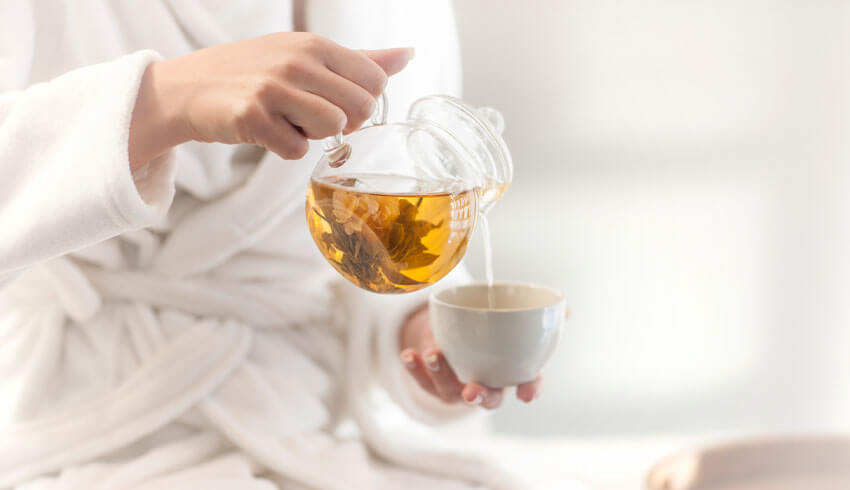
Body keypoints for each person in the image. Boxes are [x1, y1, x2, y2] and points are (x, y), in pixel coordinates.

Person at [0, 2, 545, 489]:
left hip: (311, 431)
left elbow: (390, 218)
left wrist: (420, 333)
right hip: (85, 431)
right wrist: (164, 99)